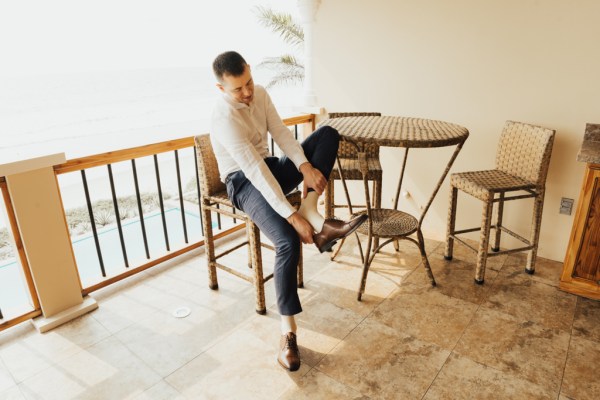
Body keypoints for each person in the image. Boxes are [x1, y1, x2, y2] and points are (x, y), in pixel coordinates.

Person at [210, 51, 367, 372]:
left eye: (249, 82)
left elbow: (281, 134)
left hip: (268, 168)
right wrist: (290, 215)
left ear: (251, 72)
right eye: (238, 89)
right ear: (221, 89)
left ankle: (314, 214)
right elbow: (253, 171)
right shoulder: (223, 118)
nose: (247, 92)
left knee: (327, 133)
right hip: (242, 182)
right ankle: (288, 335)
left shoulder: (261, 93)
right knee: (287, 240)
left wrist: (305, 166)